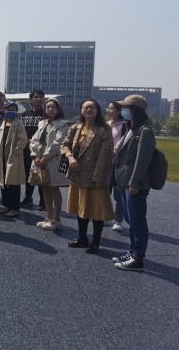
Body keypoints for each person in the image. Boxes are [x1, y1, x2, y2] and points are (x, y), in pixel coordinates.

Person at [61, 99, 114, 254]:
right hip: (78, 174)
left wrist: (98, 178)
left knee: (97, 210)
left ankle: (95, 242)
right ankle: (82, 238)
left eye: (92, 107)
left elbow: (105, 157)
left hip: (95, 175)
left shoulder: (104, 130)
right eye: (86, 107)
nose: (89, 110)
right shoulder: (76, 127)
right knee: (80, 207)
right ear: (81, 110)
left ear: (97, 110)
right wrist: (70, 157)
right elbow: (64, 145)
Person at [112, 94, 155, 272]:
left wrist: (134, 183)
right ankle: (132, 251)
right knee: (131, 220)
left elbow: (142, 161)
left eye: (126, 108)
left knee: (137, 221)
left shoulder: (144, 131)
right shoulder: (131, 128)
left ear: (136, 110)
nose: (123, 110)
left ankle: (138, 258)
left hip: (134, 185)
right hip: (125, 183)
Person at [29, 98, 69, 231]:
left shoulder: (63, 124)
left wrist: (45, 157)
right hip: (40, 160)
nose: (50, 109)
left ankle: (56, 219)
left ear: (58, 109)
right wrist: (35, 155)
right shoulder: (42, 123)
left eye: (53, 107)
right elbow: (34, 140)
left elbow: (57, 143)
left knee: (54, 188)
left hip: (53, 160)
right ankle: (48, 217)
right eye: (48, 107)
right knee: (44, 187)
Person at [0, 101, 27, 218]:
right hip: (2, 156)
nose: (11, 111)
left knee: (13, 183)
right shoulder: (3, 123)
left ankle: (15, 208)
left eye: (13, 110)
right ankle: (6, 205)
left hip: (13, 157)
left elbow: (23, 140)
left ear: (16, 111)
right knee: (4, 182)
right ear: (4, 110)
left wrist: (15, 152)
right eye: (8, 109)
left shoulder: (19, 124)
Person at [20, 88, 46, 210]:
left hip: (40, 150)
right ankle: (28, 198)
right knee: (28, 175)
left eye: (41, 97)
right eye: (36, 97)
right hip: (26, 150)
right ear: (31, 99)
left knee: (41, 175)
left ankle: (43, 201)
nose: (38, 99)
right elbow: (20, 131)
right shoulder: (25, 114)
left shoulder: (46, 114)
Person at [106, 101, 128, 231]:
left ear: (119, 111)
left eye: (111, 108)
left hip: (118, 164)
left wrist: (111, 151)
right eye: (108, 108)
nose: (108, 110)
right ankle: (104, 216)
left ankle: (118, 220)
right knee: (104, 191)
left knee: (118, 194)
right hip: (105, 163)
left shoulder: (125, 125)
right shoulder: (106, 124)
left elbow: (122, 142)